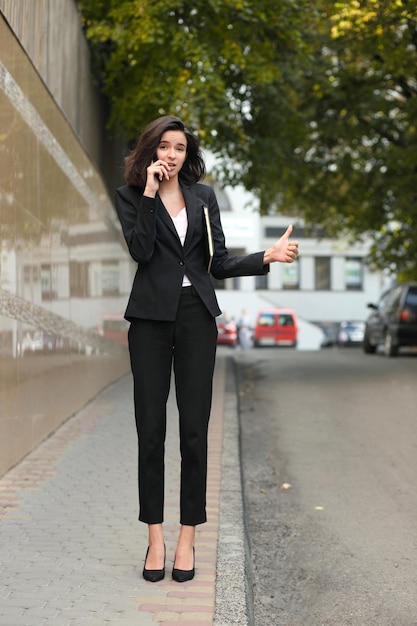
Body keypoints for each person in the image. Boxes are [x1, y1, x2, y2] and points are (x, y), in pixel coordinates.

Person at [115, 115, 299, 583]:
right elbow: (140, 252)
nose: (171, 155)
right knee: (150, 432)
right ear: (150, 151)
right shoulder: (131, 197)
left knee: (194, 432)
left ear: (186, 154)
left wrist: (265, 257)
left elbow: (216, 261)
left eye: (179, 148)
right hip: (149, 323)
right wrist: (152, 194)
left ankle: (187, 539)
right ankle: (154, 539)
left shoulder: (203, 197)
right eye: (163, 146)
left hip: (196, 317)